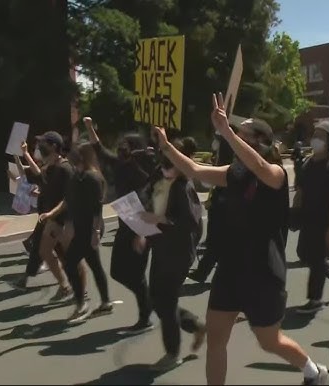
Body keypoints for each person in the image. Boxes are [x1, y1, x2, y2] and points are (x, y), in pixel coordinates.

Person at [154, 93, 328, 385]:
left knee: (269, 341)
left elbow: (260, 168)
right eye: (235, 133)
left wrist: (225, 130)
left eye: (243, 135)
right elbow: (196, 171)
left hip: (263, 271)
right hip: (231, 269)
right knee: (216, 340)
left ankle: (312, 370)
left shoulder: (275, 174)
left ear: (261, 141)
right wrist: (167, 147)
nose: (234, 139)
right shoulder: (234, 174)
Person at [137, 140, 207, 371]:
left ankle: (172, 353)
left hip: (178, 251)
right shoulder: (159, 179)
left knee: (166, 302)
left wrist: (159, 220)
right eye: (163, 164)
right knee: (156, 298)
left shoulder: (183, 187)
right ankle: (195, 324)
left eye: (171, 165)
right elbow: (149, 203)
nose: (166, 169)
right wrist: (142, 231)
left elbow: (189, 222)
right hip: (160, 246)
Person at [84, 118, 156, 335]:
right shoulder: (118, 163)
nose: (121, 147)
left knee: (136, 271)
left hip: (141, 220)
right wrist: (89, 127)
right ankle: (148, 299)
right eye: (120, 144)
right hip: (126, 215)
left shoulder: (145, 164)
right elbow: (100, 150)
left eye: (126, 145)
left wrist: (142, 233)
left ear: (135, 148)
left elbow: (152, 185)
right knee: (117, 270)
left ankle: (145, 317)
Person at [40, 143, 113, 323]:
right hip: (79, 227)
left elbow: (97, 208)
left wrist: (95, 232)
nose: (69, 157)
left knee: (71, 263)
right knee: (93, 264)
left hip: (90, 228)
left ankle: (82, 304)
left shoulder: (92, 178)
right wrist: (53, 214)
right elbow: (67, 201)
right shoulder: (76, 177)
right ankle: (104, 302)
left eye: (73, 155)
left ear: (80, 158)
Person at [11, 131, 75, 302]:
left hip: (61, 220)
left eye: (43, 144)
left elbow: (70, 198)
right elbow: (37, 175)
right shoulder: (51, 168)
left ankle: (76, 289)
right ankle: (66, 286)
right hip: (48, 218)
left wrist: (54, 214)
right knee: (45, 252)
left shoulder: (65, 168)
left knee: (66, 256)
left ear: (54, 146)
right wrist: (23, 154)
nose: (40, 147)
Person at [293, 121, 329, 314]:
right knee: (304, 254)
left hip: (325, 221)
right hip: (308, 218)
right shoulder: (307, 164)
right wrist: (294, 212)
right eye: (314, 134)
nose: (316, 138)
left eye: (321, 136)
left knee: (316, 259)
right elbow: (299, 191)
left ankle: (315, 300)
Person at [188, 133, 234, 283]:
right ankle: (208, 272)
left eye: (217, 140)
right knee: (217, 243)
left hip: (224, 206)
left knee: (216, 243)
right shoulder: (221, 157)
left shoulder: (228, 160)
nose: (214, 143)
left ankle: (204, 272)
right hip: (220, 204)